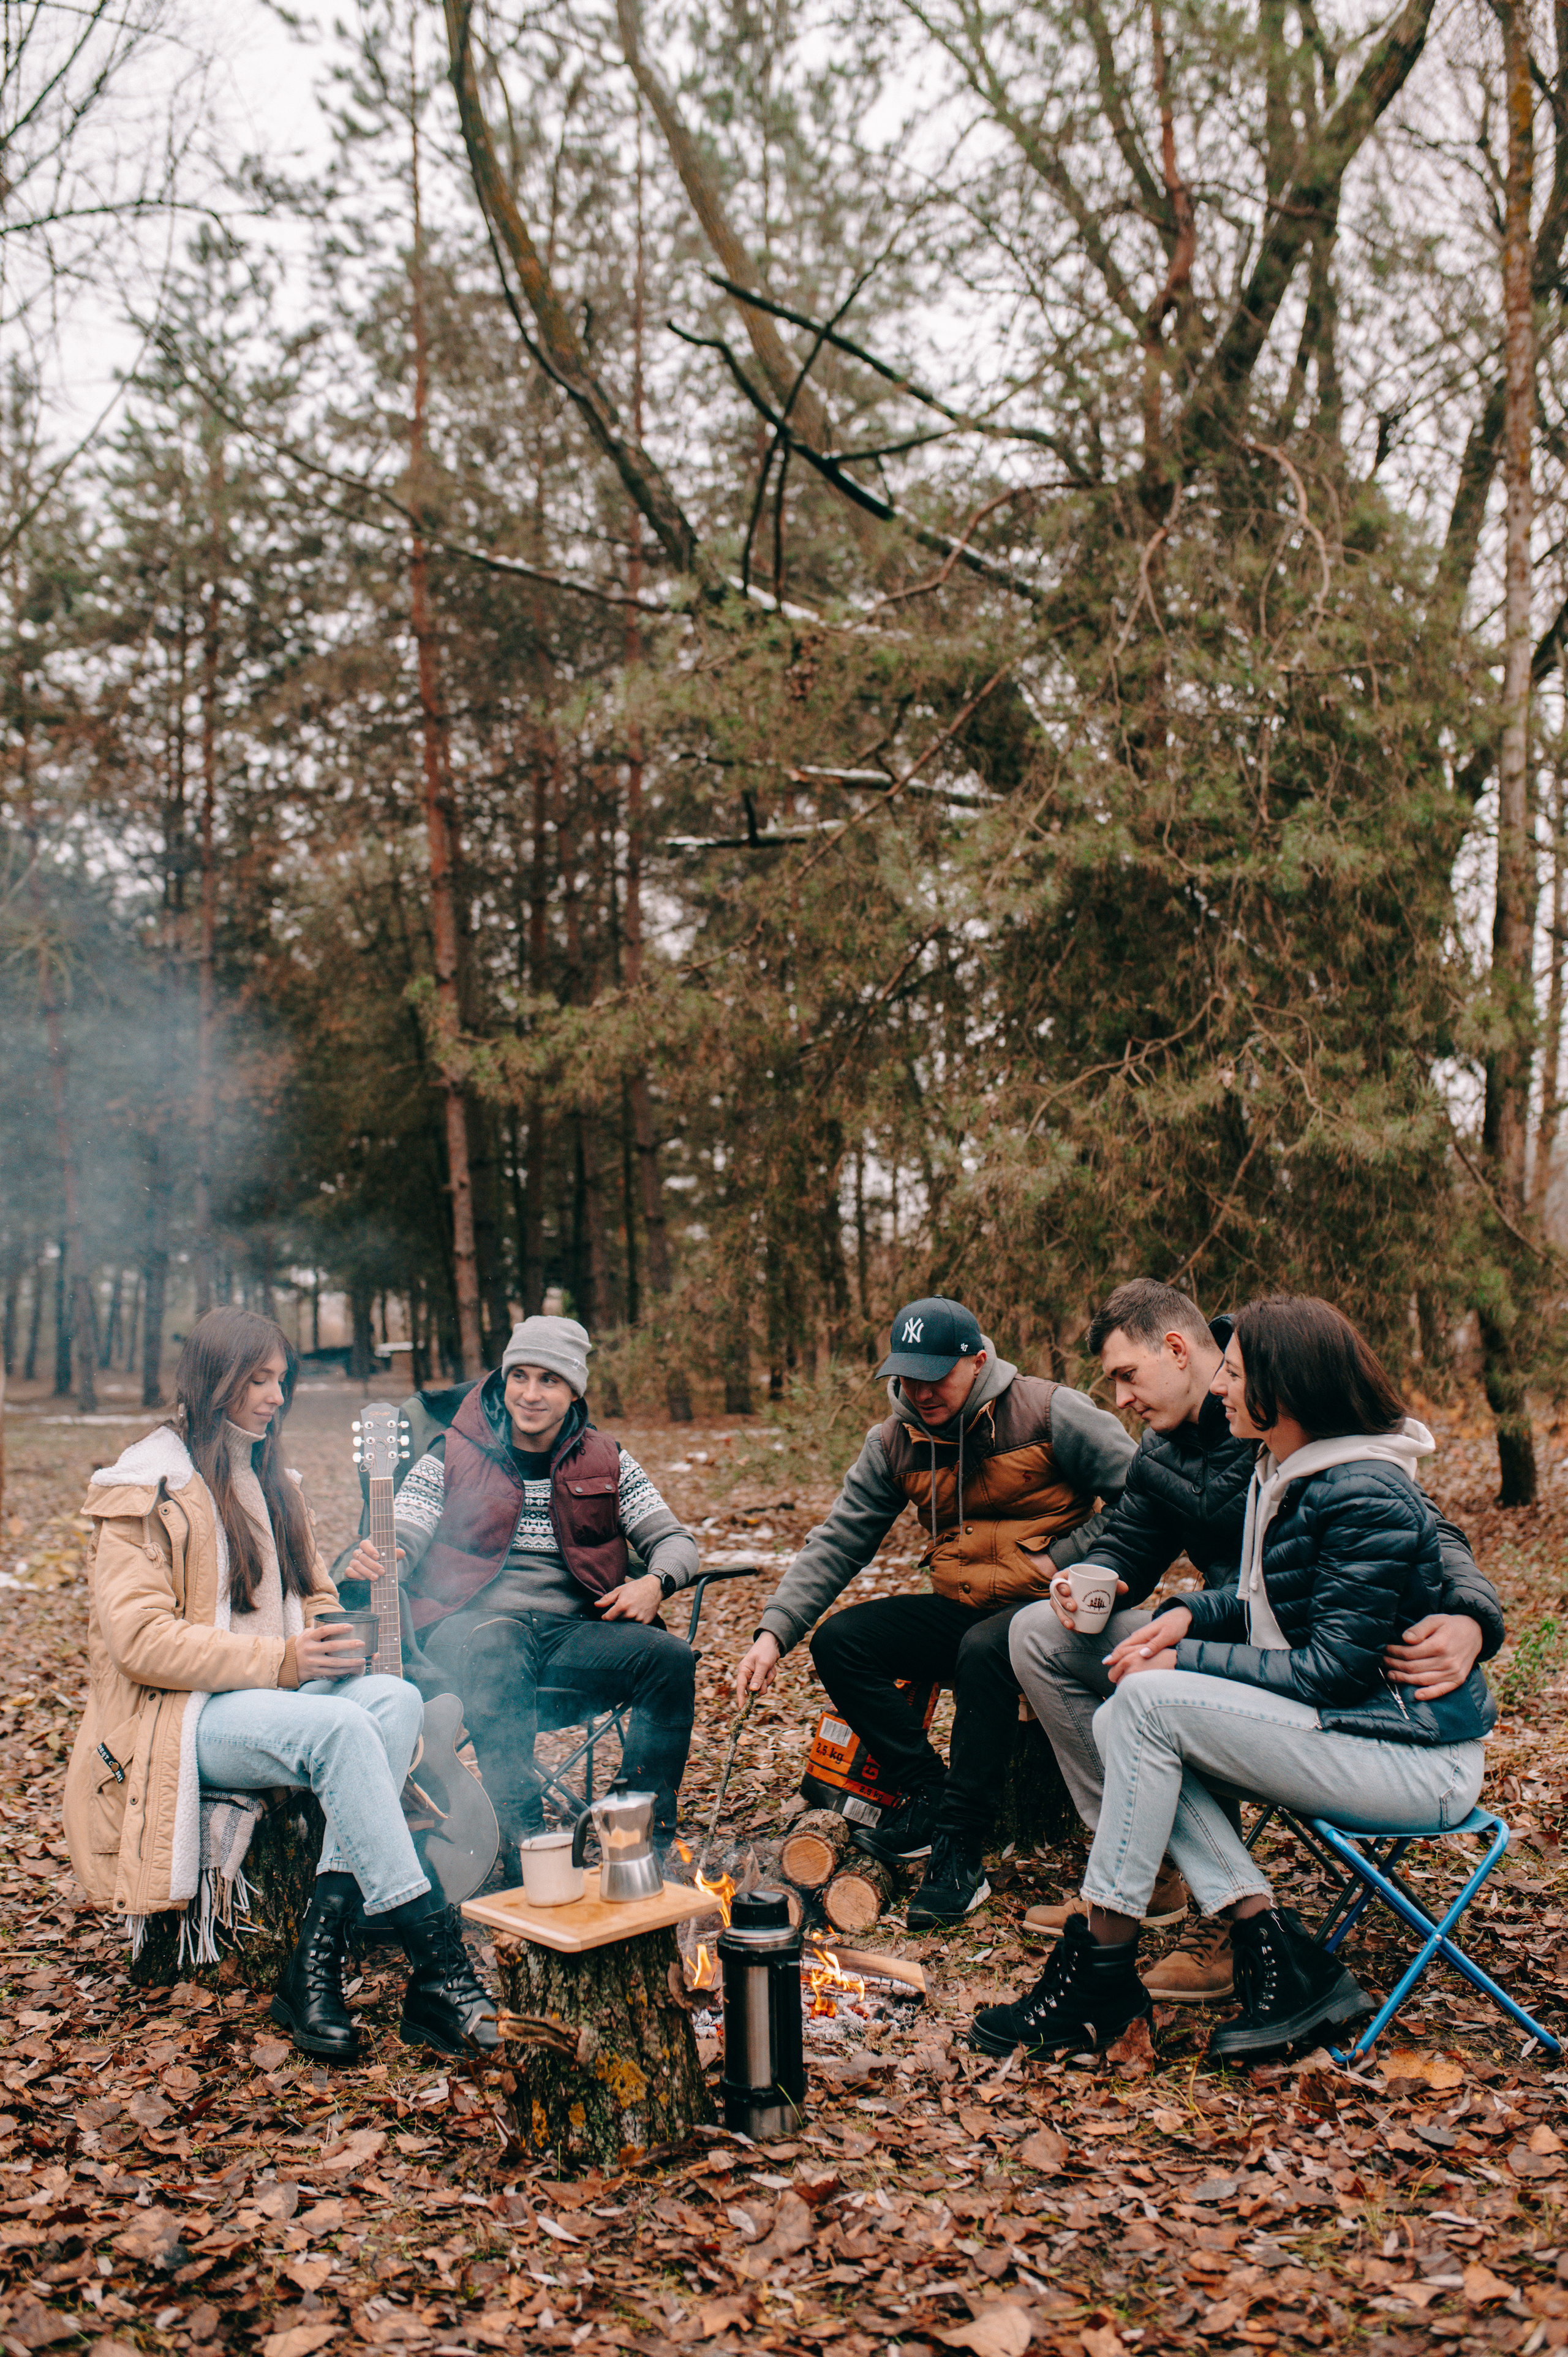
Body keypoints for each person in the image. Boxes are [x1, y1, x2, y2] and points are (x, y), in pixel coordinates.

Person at [971, 1295, 1499, 2064]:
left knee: (1145, 1703)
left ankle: (1098, 1966)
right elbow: (1255, 1593)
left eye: (1237, 1372)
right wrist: (1186, 1612)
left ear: (1279, 1387)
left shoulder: (1355, 1484)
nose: (1223, 1385)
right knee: (1129, 1712)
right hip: (1344, 1723)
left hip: (1412, 1754)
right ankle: (1267, 1942)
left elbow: (1336, 1664)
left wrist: (1473, 1617)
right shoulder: (1281, 1467)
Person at [64, 1307, 497, 2064]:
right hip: (183, 1718)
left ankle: (314, 1962)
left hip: (277, 1701)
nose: (275, 1395)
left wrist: (337, 1634)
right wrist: (285, 1662)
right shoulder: (145, 1485)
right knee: (340, 1731)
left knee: (393, 1700)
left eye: (280, 1379)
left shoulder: (273, 1480)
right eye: (258, 1379)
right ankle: (438, 1965)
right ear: (215, 1379)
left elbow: (316, 1594)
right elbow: (140, 1643)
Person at [734, 1296, 1137, 1928]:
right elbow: (838, 1542)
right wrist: (773, 1631)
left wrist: (1063, 1556)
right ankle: (928, 1793)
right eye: (907, 1377)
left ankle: (959, 1847)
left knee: (984, 1651)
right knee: (842, 1640)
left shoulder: (1049, 1411)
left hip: (1052, 1615)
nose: (920, 1391)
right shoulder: (894, 1441)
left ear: (976, 1361)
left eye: (935, 1376)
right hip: (965, 1607)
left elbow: (1143, 1497)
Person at [394, 1315, 699, 1858]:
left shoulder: (607, 1459)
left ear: (573, 1390)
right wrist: (392, 1550)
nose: (530, 1394)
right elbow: (406, 1525)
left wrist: (655, 1581)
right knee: (497, 1641)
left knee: (670, 1659)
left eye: (549, 1380)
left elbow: (675, 1540)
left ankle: (632, 1833)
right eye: (520, 1376)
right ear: (504, 1379)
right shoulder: (453, 1451)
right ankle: (526, 1840)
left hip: (568, 1635)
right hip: (469, 1636)